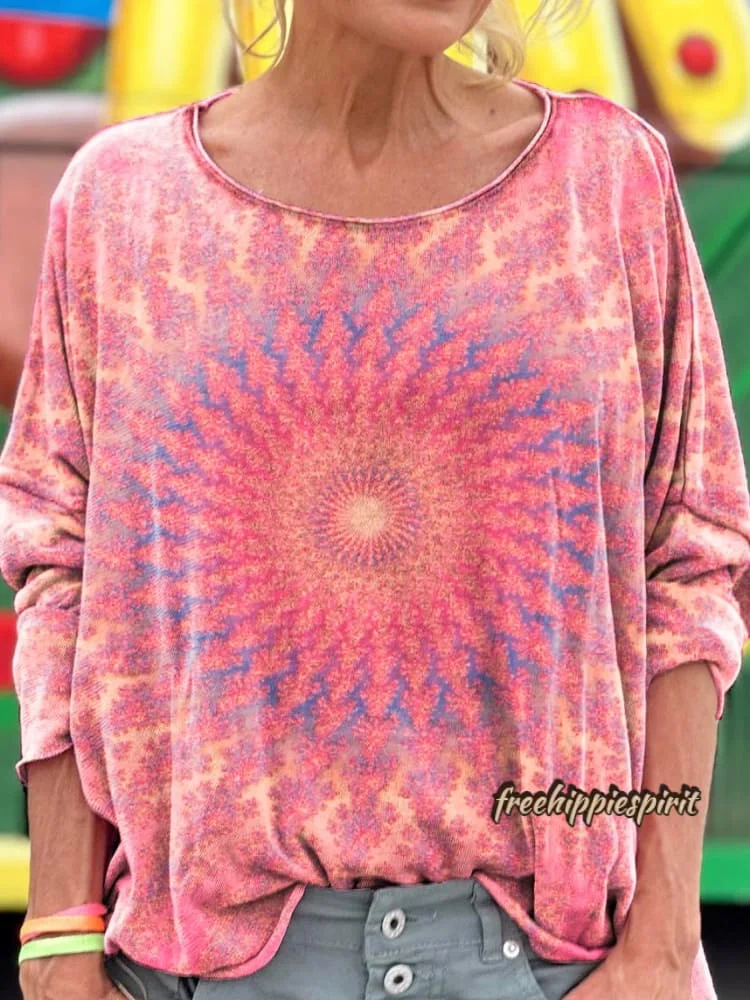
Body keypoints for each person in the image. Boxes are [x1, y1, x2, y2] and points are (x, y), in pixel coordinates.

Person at [2, 1, 750, 999]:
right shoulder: (124, 202)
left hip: (554, 969)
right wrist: (56, 939)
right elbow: (59, 563)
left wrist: (662, 941)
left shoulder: (608, 182)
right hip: (196, 970)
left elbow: (690, 557)